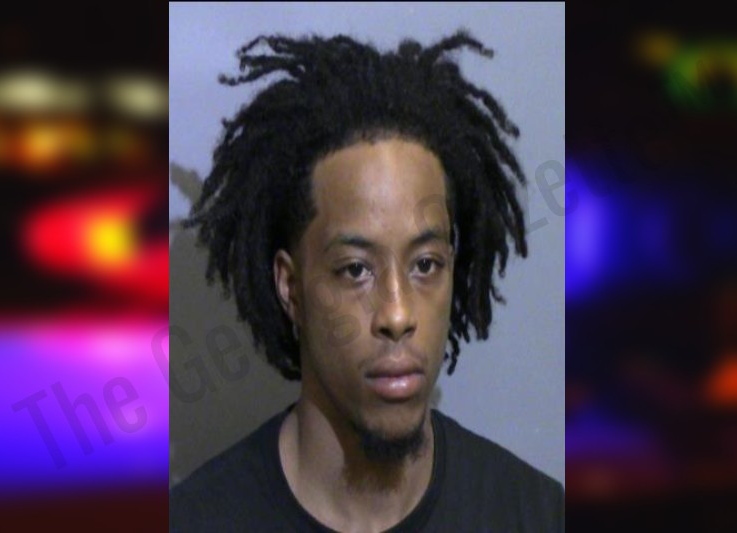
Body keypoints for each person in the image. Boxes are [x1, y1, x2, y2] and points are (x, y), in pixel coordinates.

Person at [171, 31, 564, 532]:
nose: (397, 315)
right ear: (290, 287)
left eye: (426, 264)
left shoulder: (538, 515)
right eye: (356, 270)